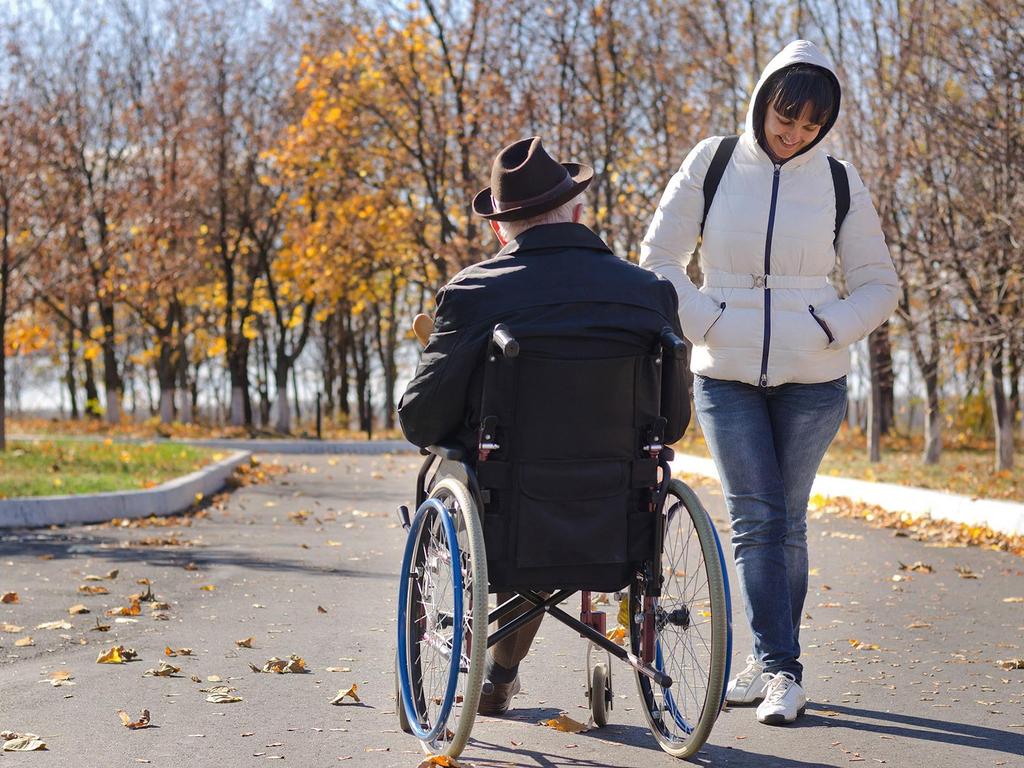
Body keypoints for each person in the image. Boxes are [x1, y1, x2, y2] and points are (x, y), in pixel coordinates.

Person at [640, 40, 898, 726]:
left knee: (785, 522)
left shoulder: (839, 181)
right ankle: (784, 670)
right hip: (725, 376)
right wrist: (708, 320)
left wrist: (828, 326)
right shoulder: (714, 161)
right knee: (758, 520)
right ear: (763, 102)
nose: (796, 134)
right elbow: (659, 258)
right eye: (787, 118)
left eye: (812, 126)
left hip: (813, 379)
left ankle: (766, 661)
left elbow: (880, 284)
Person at [398, 136, 689, 716]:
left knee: (457, 472)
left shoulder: (475, 293)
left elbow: (419, 418)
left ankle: (494, 674)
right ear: (578, 212)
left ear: (500, 229)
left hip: (512, 518)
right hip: (617, 521)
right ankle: (503, 672)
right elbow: (673, 421)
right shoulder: (648, 293)